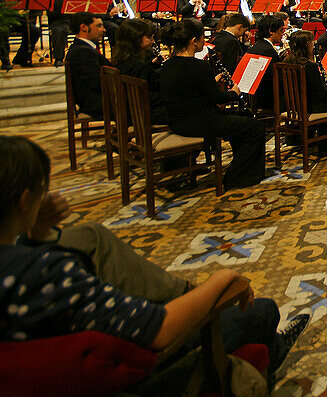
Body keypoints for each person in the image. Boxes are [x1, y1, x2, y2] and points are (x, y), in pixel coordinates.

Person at [0, 134, 310, 373]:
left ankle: (181, 293)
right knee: (264, 310)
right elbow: (159, 330)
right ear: (26, 200)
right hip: (136, 357)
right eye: (43, 190)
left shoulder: (22, 259)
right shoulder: (48, 273)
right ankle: (274, 352)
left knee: (91, 235)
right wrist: (221, 280)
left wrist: (36, 232)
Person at [159, 20, 267, 189]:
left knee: (243, 118)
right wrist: (234, 93)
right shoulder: (198, 66)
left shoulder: (167, 65)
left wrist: (212, 82)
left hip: (178, 120)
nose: (204, 42)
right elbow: (218, 98)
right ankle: (238, 176)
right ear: (194, 41)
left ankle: (240, 167)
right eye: (202, 38)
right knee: (255, 127)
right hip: (201, 121)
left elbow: (189, 90)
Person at [113, 19, 168, 125]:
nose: (152, 41)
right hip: (142, 114)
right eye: (149, 37)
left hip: (131, 111)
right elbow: (147, 95)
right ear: (135, 38)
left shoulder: (123, 59)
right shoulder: (137, 65)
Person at [64, 12, 113, 120]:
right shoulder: (82, 52)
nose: (103, 30)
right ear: (84, 28)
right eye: (99, 26)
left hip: (98, 100)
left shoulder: (82, 48)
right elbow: (96, 82)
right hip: (96, 104)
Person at [247, 12, 289, 111]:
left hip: (255, 97)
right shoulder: (268, 51)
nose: (282, 34)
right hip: (268, 100)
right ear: (271, 31)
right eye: (280, 31)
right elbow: (278, 79)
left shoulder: (256, 47)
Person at [211, 12, 250, 77]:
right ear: (239, 27)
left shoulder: (215, 37)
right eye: (244, 31)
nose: (243, 34)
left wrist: (244, 42)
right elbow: (233, 67)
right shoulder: (232, 42)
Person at [46, 0, 71, 67]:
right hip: (59, 23)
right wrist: (63, 8)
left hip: (72, 23)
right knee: (59, 31)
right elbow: (51, 15)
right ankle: (59, 58)